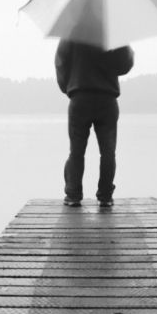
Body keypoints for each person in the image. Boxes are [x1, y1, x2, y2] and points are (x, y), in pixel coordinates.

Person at [55, 39, 134, 208]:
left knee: (76, 151)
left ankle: (73, 195)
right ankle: (105, 197)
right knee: (108, 152)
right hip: (107, 99)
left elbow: (61, 63)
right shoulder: (112, 33)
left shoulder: (72, 32)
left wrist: (67, 87)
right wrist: (128, 51)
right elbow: (124, 66)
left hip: (80, 97)